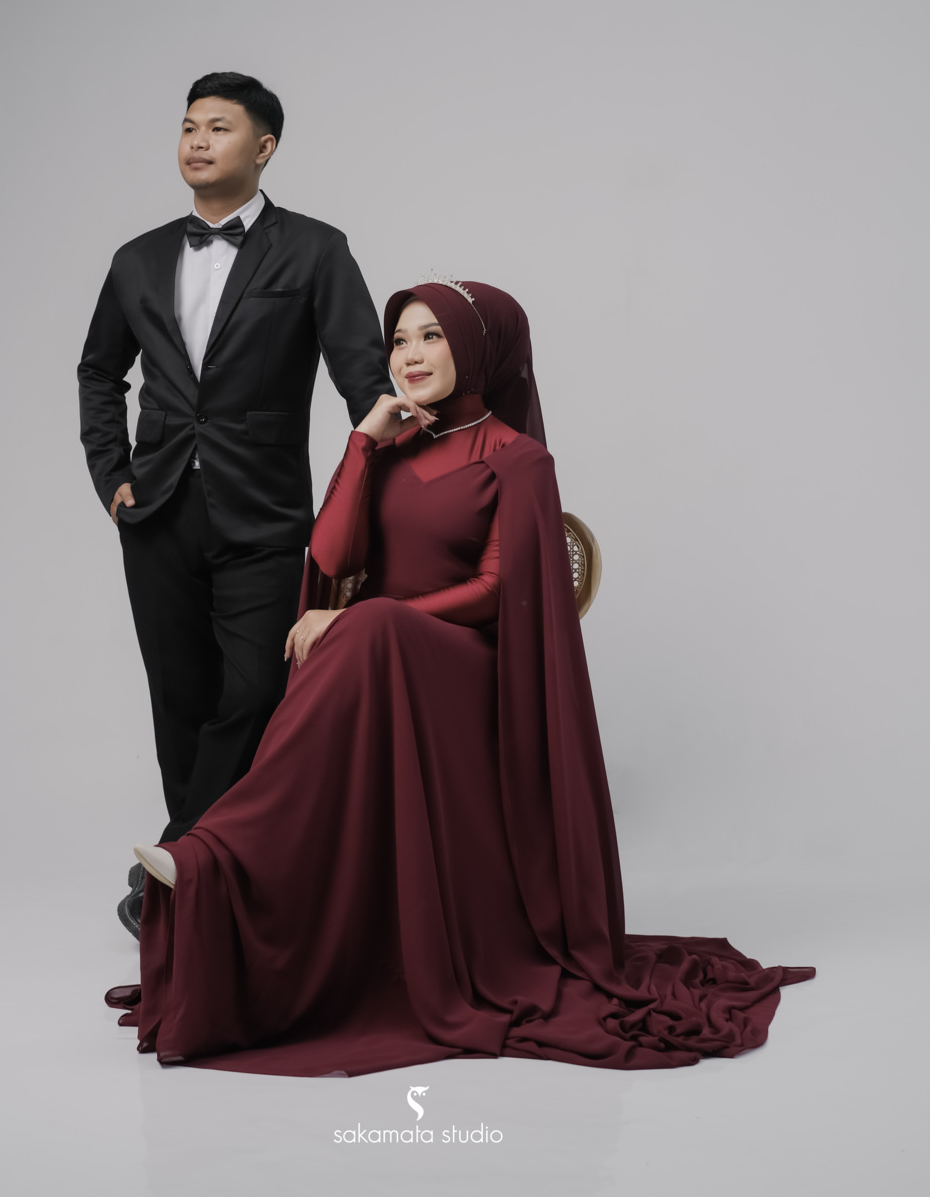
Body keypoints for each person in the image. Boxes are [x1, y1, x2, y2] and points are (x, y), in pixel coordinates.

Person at [107, 278, 814, 1075]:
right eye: (399, 340)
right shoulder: (391, 445)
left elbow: (494, 591)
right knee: (359, 632)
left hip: (468, 671)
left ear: (476, 348)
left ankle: (215, 853)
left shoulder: (521, 461)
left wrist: (366, 616)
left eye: (431, 337)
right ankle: (241, 873)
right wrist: (362, 444)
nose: (409, 356)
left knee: (366, 626)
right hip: (374, 660)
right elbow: (332, 559)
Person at [78, 72, 389, 938]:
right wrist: (110, 475)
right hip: (158, 512)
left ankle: (176, 866)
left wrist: (400, 456)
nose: (198, 141)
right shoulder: (137, 258)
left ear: (264, 147)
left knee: (254, 695)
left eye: (218, 127)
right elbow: (99, 371)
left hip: (266, 514)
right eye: (188, 126)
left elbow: (361, 376)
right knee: (179, 700)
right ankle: (203, 881)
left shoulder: (316, 250)